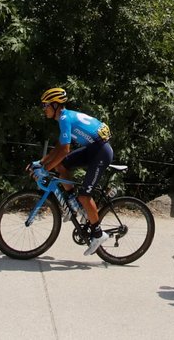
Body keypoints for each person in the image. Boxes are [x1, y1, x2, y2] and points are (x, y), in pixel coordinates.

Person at [32, 87, 114, 256]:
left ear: (55, 105)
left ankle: (98, 234)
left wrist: (44, 169)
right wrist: (41, 162)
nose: (43, 108)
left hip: (101, 152)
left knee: (85, 196)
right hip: (93, 148)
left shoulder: (64, 118)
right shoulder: (64, 117)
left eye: (45, 105)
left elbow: (64, 151)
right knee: (60, 166)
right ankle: (73, 203)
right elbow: (59, 148)